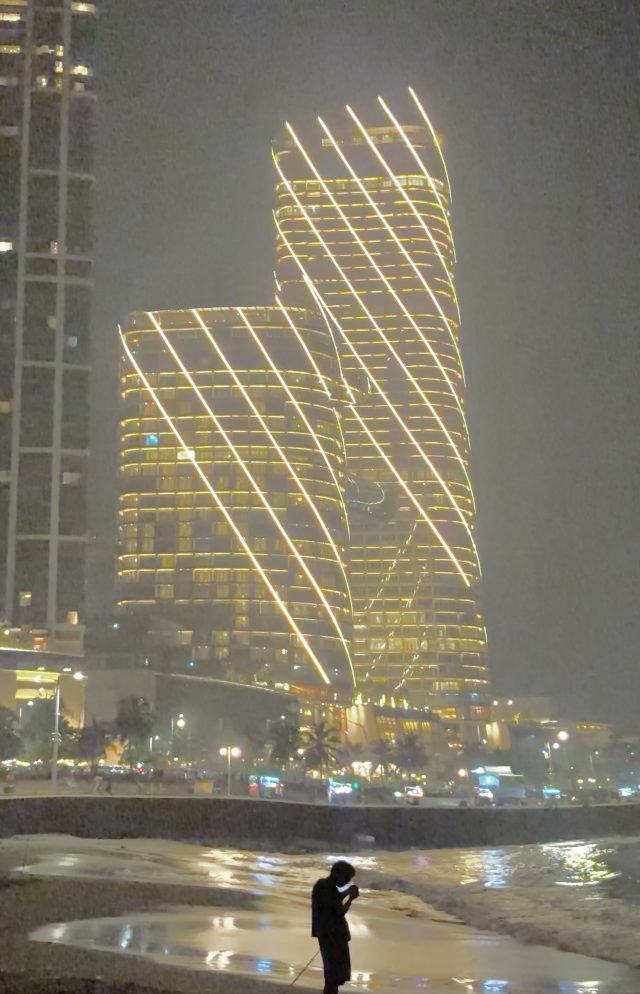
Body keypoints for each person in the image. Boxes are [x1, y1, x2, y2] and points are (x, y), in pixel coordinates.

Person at [311, 860, 359, 994]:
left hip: (329, 934)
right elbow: (338, 911)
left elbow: (335, 903)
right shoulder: (325, 887)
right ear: (336, 873)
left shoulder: (324, 887)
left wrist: (348, 895)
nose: (347, 881)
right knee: (333, 975)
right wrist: (349, 897)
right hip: (332, 936)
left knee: (332, 975)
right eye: (346, 878)